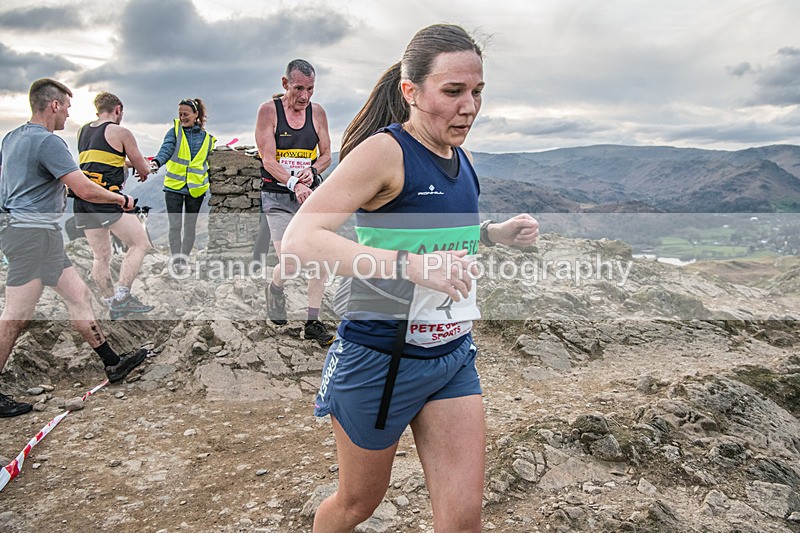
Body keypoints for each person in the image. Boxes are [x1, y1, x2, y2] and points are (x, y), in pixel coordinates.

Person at [282, 25, 540, 532]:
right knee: (357, 504)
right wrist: (409, 268)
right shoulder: (385, 152)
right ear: (410, 92)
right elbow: (301, 236)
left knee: (463, 520)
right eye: (453, 92)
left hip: (451, 357)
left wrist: (491, 234)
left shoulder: (461, 158)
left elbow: (438, 233)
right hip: (379, 359)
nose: (469, 106)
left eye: (477, 92)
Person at [0, 79, 149, 417]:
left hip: (34, 234)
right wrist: (121, 198)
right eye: (66, 107)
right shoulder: (49, 142)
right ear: (53, 105)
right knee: (15, 317)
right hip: (32, 236)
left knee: (79, 295)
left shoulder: (12, 137)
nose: (69, 115)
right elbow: (84, 188)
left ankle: (112, 363)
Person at [255, 59, 334, 346]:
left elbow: (326, 155)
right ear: (285, 84)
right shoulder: (269, 112)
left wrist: (312, 171)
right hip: (277, 195)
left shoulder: (318, 113)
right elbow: (268, 160)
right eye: (299, 88)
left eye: (310, 89)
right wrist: (294, 183)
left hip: (310, 195)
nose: (305, 96)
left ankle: (313, 321)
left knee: (321, 259)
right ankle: (275, 289)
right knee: (291, 261)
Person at [74, 92, 155, 320]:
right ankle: (122, 296)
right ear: (118, 109)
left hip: (84, 198)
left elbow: (104, 159)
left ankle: (111, 303)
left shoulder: (83, 131)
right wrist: (143, 166)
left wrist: (128, 163)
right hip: (108, 198)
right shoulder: (121, 132)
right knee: (140, 244)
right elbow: (145, 168)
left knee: (101, 257)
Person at [151, 98, 216, 268]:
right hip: (174, 187)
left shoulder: (208, 139)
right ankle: (176, 260)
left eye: (186, 114)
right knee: (175, 226)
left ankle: (184, 259)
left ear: (196, 115)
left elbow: (209, 164)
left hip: (196, 189)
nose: (182, 117)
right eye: (180, 114)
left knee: (190, 227)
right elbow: (166, 149)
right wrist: (156, 162)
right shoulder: (174, 132)